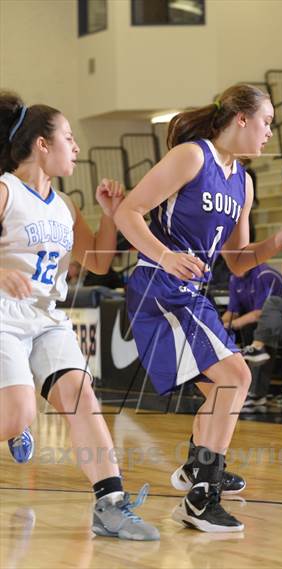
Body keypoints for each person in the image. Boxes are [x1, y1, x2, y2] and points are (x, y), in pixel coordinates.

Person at [114, 83, 282, 533]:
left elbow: (237, 262)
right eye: (267, 122)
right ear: (241, 119)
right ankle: (202, 494)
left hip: (192, 294)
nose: (271, 132)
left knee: (222, 392)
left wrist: (279, 240)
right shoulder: (193, 156)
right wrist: (166, 255)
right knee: (238, 376)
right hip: (159, 286)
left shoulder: (243, 182)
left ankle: (200, 468)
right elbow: (128, 213)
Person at [0, 91, 159, 541]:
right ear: (42, 145)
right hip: (3, 316)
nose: (77, 147)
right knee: (16, 415)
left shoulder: (65, 204)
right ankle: (15, 421)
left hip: (47, 317)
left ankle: (110, 506)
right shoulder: (6, 191)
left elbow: (99, 262)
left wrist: (109, 216)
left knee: (82, 396)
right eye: (69, 137)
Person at [222, 263, 282, 345]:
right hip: (256, 318)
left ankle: (254, 355)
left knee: (249, 328)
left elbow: (260, 313)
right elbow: (232, 312)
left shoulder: (265, 275)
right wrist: (216, 327)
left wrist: (231, 325)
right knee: (223, 331)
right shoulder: (234, 278)